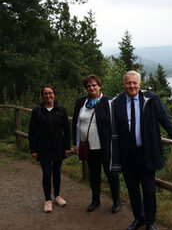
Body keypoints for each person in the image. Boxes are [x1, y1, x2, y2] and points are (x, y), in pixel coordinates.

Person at [110, 70, 172, 230]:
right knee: (133, 189)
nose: (132, 86)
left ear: (139, 84)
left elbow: (165, 120)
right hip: (128, 155)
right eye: (128, 83)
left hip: (146, 154)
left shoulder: (151, 99)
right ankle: (138, 218)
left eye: (135, 83)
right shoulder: (117, 102)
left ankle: (150, 222)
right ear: (124, 84)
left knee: (149, 190)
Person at [72, 74, 120, 213]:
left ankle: (116, 201)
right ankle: (95, 200)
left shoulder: (109, 102)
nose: (91, 88)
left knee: (111, 174)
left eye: (94, 85)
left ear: (99, 86)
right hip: (88, 145)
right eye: (88, 86)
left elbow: (116, 123)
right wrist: (74, 143)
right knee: (94, 175)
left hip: (105, 146)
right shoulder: (81, 102)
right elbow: (75, 122)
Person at [28, 85, 71, 213]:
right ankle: (47, 199)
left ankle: (57, 196)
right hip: (43, 147)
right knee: (47, 173)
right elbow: (31, 131)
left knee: (57, 172)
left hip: (59, 146)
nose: (48, 95)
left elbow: (67, 130)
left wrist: (67, 146)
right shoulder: (38, 110)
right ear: (42, 96)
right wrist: (33, 149)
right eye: (45, 93)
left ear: (54, 94)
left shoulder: (61, 109)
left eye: (50, 93)